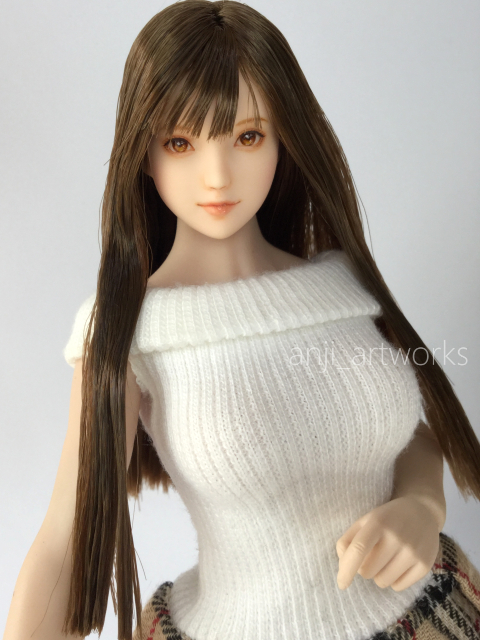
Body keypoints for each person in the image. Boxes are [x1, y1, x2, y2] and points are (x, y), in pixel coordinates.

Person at [3, 2, 480, 640]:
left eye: (247, 137)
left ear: (284, 137)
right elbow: (66, 543)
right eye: (180, 143)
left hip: (436, 615)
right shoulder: (130, 335)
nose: (218, 175)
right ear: (143, 154)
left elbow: (407, 430)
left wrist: (422, 503)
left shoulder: (340, 285)